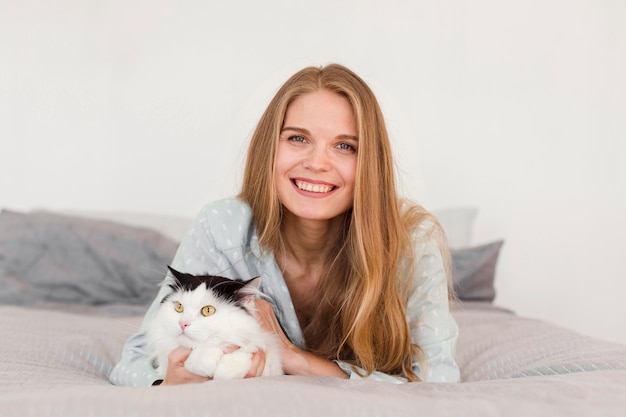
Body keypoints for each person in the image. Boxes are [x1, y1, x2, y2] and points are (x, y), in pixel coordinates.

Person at [109, 63, 460, 386]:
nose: (317, 163)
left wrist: (294, 359)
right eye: (298, 138)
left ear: (370, 162)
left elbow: (438, 381)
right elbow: (133, 361)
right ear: (269, 148)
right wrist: (166, 382)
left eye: (345, 146)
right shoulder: (222, 226)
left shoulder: (412, 240)